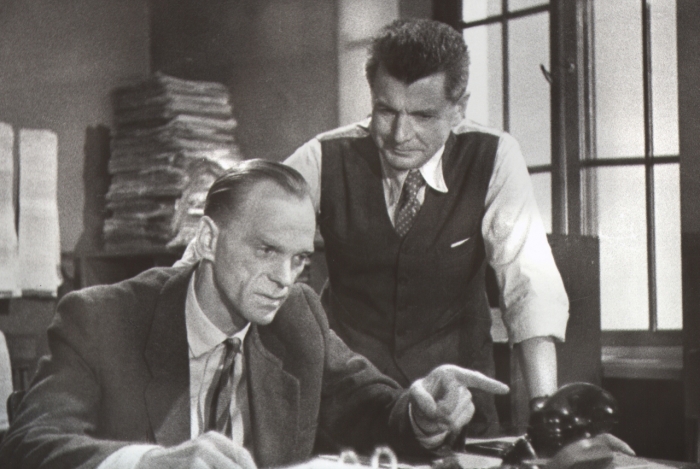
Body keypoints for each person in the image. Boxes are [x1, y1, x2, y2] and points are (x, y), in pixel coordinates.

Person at [0, 160, 510, 469]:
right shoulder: (102, 319)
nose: (285, 279)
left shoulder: (297, 316)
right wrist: (152, 463)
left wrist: (421, 413)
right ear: (208, 240)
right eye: (266, 251)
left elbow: (370, 406)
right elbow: (27, 444)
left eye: (299, 259)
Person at [284, 19, 569, 434]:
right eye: (386, 111)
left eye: (423, 115)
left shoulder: (493, 156)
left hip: (456, 411)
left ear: (459, 107)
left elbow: (529, 285)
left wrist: (546, 411)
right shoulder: (323, 157)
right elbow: (249, 223)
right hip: (347, 412)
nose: (401, 134)